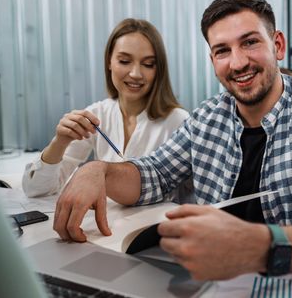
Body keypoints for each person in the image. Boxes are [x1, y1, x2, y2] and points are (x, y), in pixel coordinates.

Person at [53, 0, 292, 280]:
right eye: (222, 50)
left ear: (278, 45)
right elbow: (154, 174)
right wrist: (99, 170)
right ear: (212, 59)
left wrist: (257, 246)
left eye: (250, 42)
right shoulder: (208, 117)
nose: (237, 62)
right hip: (210, 282)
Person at [22, 18, 190, 200]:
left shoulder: (179, 122)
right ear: (109, 61)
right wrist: (59, 142)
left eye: (148, 64)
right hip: (108, 225)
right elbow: (36, 190)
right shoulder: (97, 115)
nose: (135, 73)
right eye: (125, 61)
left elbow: (191, 200)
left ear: (159, 69)